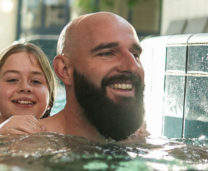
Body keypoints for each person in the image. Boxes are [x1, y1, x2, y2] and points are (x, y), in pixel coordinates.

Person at [39, 12, 146, 141]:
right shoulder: (30, 146)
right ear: (65, 70)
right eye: (107, 53)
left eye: (135, 55)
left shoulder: (144, 144)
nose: (132, 66)